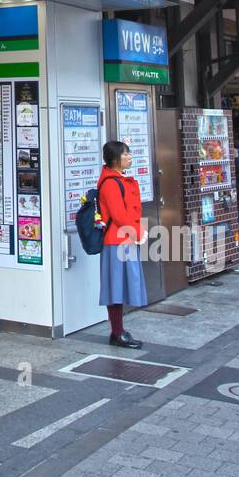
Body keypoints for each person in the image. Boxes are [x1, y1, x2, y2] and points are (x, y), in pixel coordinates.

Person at [96, 140, 148, 349]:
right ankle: (117, 333)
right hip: (116, 241)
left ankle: (118, 331)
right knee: (115, 287)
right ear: (115, 159)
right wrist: (137, 233)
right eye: (126, 154)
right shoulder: (110, 183)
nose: (130, 157)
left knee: (119, 286)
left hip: (123, 239)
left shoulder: (115, 179)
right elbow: (119, 215)